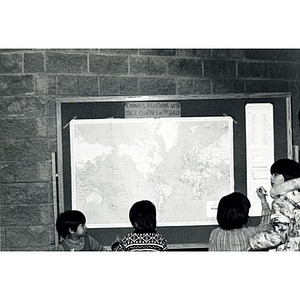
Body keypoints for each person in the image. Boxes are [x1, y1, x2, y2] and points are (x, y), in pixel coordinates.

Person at [249, 158, 300, 251]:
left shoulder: (281, 201)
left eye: (275, 174)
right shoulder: (296, 197)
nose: (271, 178)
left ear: (287, 176)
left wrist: (254, 241)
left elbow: (279, 236)